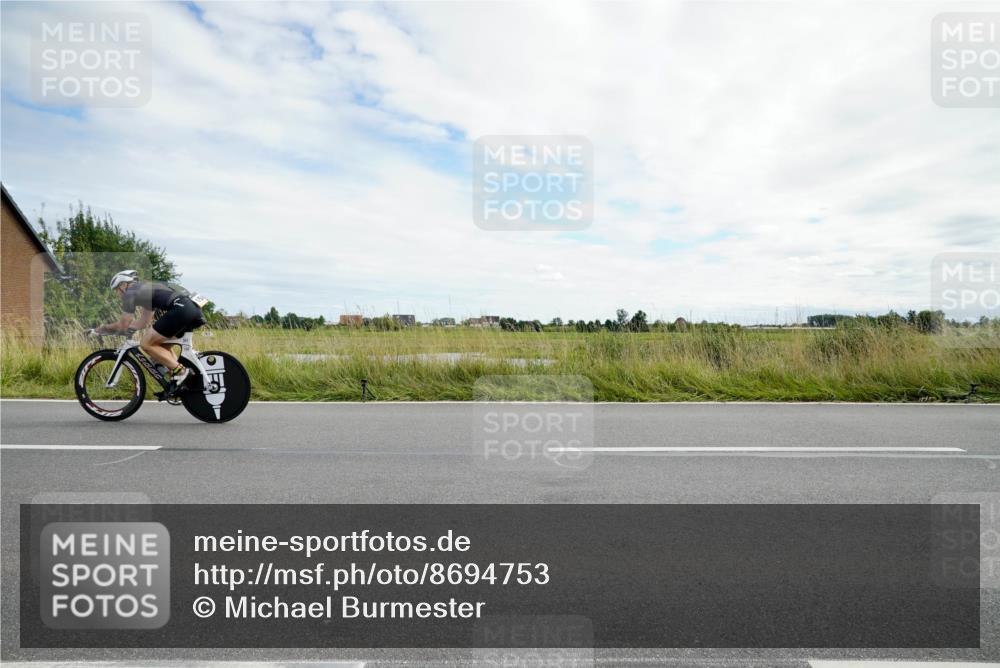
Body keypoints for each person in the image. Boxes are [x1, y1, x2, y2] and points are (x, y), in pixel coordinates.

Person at [94, 270, 206, 390]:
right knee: (160, 347)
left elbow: (124, 323)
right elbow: (143, 322)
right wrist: (129, 329)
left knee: (146, 344)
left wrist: (101, 329)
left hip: (181, 309)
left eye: (116, 289)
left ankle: (182, 372)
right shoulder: (146, 290)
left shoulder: (130, 292)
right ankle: (181, 381)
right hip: (195, 310)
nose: (117, 294)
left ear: (123, 285)